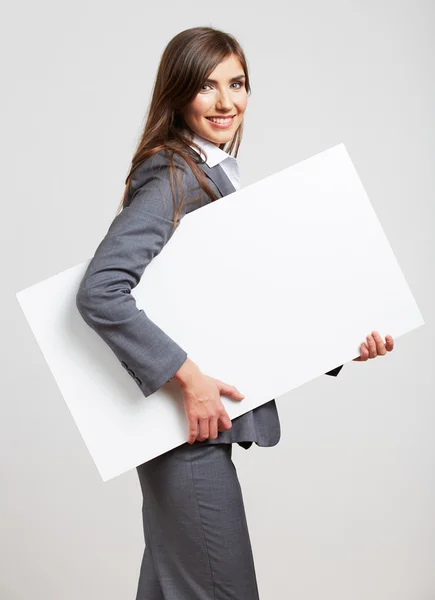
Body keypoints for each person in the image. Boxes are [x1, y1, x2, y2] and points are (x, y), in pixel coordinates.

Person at [75, 26, 395, 600]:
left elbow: (241, 307)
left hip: (188, 438)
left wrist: (344, 345)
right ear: (177, 94)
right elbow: (101, 289)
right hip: (187, 437)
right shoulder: (175, 174)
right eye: (206, 86)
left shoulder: (212, 174)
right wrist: (189, 377)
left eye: (237, 83)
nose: (226, 103)